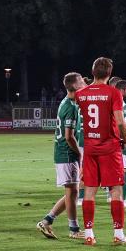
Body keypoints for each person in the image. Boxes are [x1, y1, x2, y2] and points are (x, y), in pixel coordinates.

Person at [74, 57, 126, 246]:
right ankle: (118, 234)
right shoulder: (114, 93)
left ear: (92, 72)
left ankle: (89, 234)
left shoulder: (80, 94)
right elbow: (120, 120)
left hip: (90, 147)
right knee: (116, 189)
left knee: (89, 190)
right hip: (110, 147)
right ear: (110, 73)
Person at [36, 72, 85, 240]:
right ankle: (74, 229)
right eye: (81, 81)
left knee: (72, 192)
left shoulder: (70, 102)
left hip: (65, 153)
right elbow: (68, 136)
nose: (84, 83)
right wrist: (79, 154)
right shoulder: (70, 107)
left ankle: (47, 221)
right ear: (74, 86)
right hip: (66, 153)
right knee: (72, 192)